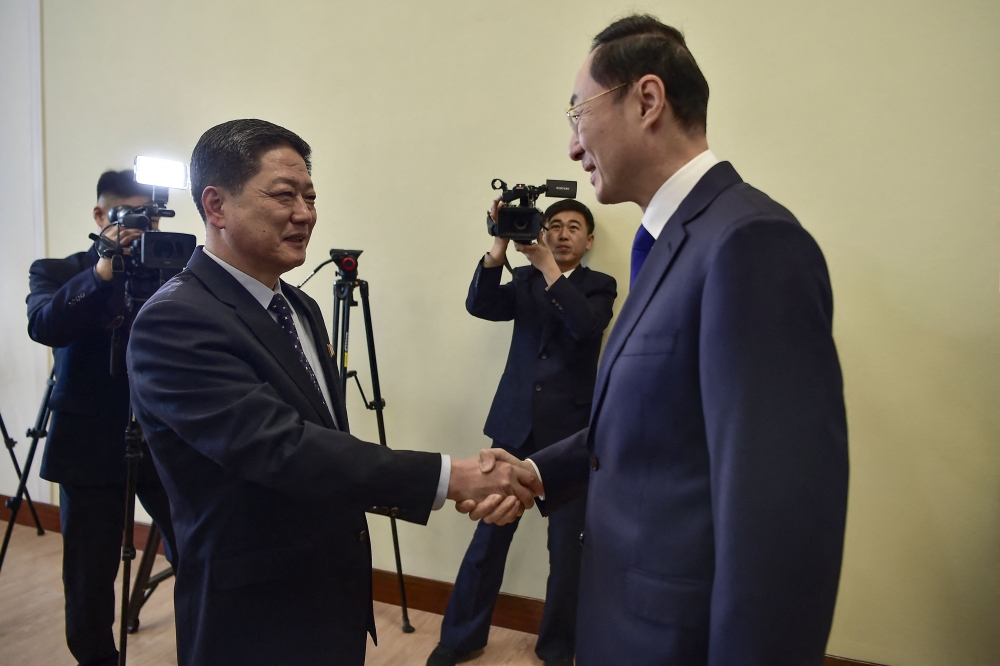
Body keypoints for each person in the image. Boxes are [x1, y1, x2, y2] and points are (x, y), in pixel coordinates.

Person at [482, 15, 850, 665]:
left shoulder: (748, 242)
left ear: (647, 100)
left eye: (578, 113)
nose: (572, 147)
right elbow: (650, 423)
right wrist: (538, 469)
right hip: (622, 622)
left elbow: (779, 523)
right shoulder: (668, 244)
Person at [125, 119, 536, 666]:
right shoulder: (175, 320)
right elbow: (283, 448)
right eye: (283, 195)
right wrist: (451, 476)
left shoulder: (300, 306)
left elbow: (328, 443)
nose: (305, 213)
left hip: (331, 594)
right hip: (252, 613)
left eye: (310, 196)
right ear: (216, 206)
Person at [428, 201, 617, 666]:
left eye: (575, 227)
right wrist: (498, 245)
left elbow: (584, 328)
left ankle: (557, 649)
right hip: (515, 426)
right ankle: (461, 637)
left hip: (572, 434)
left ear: (589, 241)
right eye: (554, 226)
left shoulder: (600, 286)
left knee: (567, 553)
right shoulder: (524, 280)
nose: (563, 233)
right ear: (542, 230)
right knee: (488, 539)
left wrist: (547, 266)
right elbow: (481, 305)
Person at [26, 170, 178, 666]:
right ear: (100, 216)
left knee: (200, 551)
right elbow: (46, 326)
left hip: (164, 437)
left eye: (152, 215)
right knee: (89, 581)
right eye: (132, 215)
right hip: (88, 442)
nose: (144, 226)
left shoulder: (173, 273)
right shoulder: (56, 270)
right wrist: (101, 270)